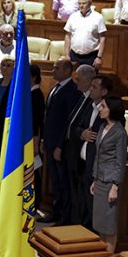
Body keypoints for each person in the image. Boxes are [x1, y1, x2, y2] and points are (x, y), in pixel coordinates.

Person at [39, 58, 81, 224]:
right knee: (55, 181)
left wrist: (59, 146)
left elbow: (68, 123)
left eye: (56, 68)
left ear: (66, 71)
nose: (53, 71)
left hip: (60, 146)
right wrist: (43, 139)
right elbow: (48, 117)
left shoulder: (72, 91)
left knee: (64, 182)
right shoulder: (54, 88)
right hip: (49, 141)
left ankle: (65, 216)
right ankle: (56, 211)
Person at [61, 65, 100, 225]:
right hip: (73, 153)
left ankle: (82, 227)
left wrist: (83, 133)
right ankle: (73, 223)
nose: (75, 81)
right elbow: (76, 126)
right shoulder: (83, 98)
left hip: (87, 158)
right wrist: (81, 133)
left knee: (84, 197)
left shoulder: (97, 104)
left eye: (79, 79)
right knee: (74, 193)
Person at [90, 95, 128, 252]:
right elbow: (98, 155)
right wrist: (94, 179)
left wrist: (115, 186)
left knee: (110, 225)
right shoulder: (102, 127)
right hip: (99, 180)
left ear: (112, 110)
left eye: (103, 106)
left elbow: (120, 162)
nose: (100, 109)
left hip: (110, 183)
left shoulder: (120, 133)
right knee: (100, 223)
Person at [64, 0, 106, 69]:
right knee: (74, 79)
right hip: (74, 56)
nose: (81, 6)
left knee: (90, 79)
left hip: (91, 56)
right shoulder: (73, 17)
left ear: (90, 3)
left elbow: (102, 38)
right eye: (79, 3)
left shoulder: (98, 17)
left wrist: (99, 57)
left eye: (84, 3)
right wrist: (67, 55)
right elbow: (68, 36)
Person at [30, 64, 46, 211]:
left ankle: (35, 204)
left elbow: (37, 122)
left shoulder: (36, 95)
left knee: (34, 173)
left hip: (32, 140)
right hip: (26, 139)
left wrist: (36, 143)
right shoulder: (29, 93)